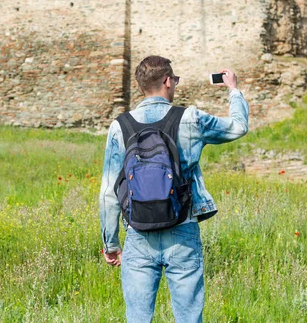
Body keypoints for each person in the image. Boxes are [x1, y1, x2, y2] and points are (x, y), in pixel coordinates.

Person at [99, 55, 249, 322]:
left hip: (138, 232)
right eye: (175, 80)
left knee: (138, 317)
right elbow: (238, 127)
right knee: (189, 318)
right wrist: (233, 90)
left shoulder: (119, 127)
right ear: (167, 81)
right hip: (182, 228)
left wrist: (111, 244)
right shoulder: (189, 118)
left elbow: (108, 193)